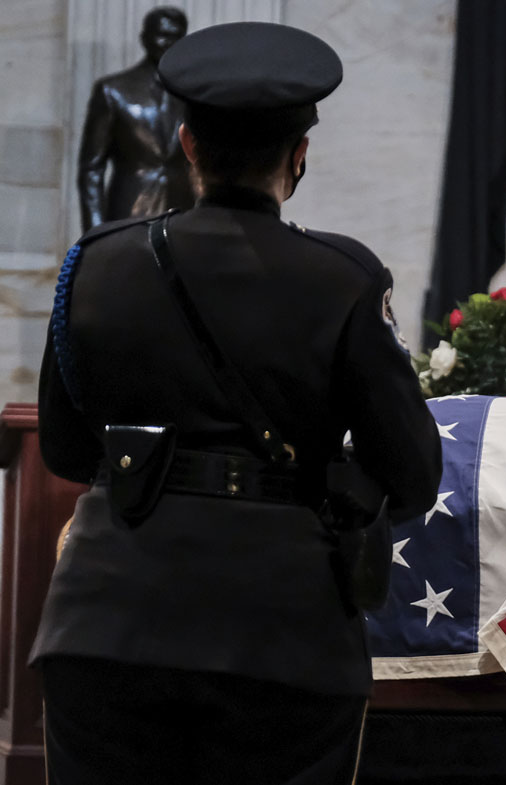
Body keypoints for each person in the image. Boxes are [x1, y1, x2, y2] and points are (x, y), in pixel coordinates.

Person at [32, 22, 442, 784]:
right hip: (281, 631)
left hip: (108, 618)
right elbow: (413, 475)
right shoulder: (344, 278)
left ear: (186, 145)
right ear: (299, 154)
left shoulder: (96, 264)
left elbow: (63, 448)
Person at [76, 6, 195, 231]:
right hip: (129, 211)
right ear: (145, 38)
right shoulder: (113, 91)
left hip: (183, 215)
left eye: (176, 37)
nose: (168, 43)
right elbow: (91, 169)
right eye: (161, 35)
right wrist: (95, 233)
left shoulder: (193, 93)